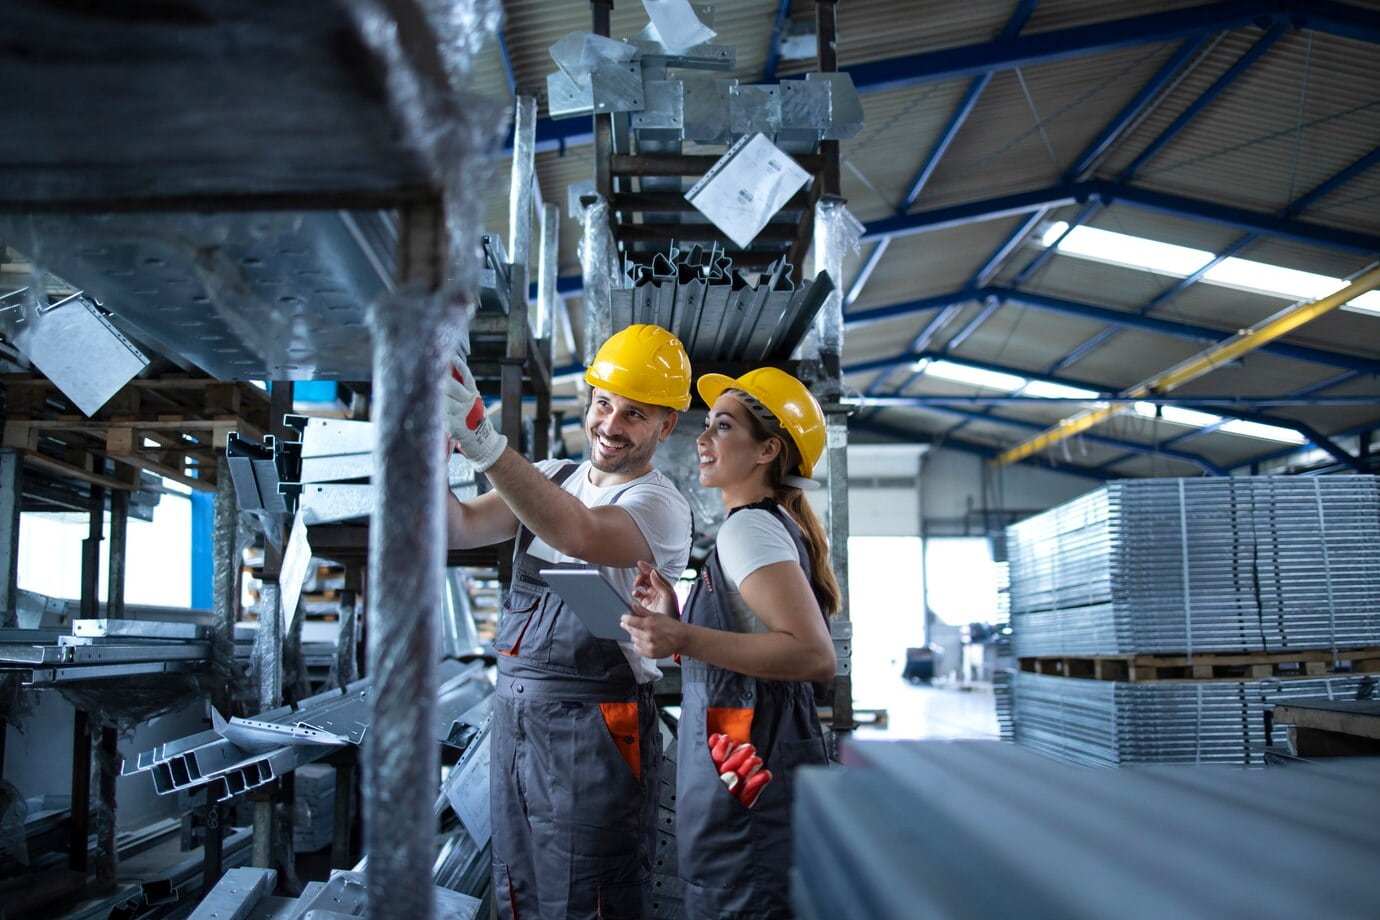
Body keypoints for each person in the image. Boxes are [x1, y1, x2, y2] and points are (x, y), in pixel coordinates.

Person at [443, 324, 694, 920]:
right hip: (516, 715)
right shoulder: (552, 478)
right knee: (518, 884)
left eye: (634, 414)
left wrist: (486, 444)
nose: (610, 425)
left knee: (588, 891)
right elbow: (454, 527)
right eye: (603, 404)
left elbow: (577, 534)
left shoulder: (660, 506)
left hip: (597, 726)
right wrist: (435, 440)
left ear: (665, 427)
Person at [620, 366, 840, 919]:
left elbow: (813, 655)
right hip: (741, 770)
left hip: (749, 777)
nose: (702, 437)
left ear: (767, 450)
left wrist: (682, 633)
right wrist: (676, 622)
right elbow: (749, 647)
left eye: (722, 426)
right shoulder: (755, 528)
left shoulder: (749, 529)